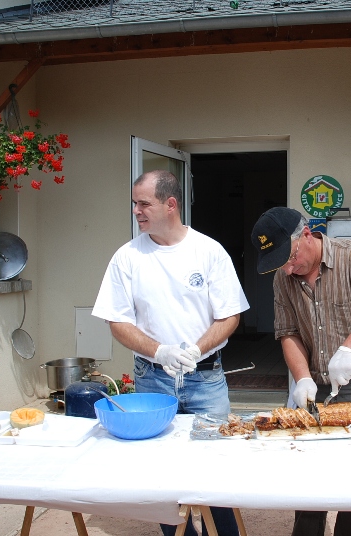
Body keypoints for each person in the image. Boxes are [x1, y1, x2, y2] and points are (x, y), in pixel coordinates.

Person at [92, 170, 249, 536]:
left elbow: (230, 316)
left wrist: (196, 348)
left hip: (205, 378)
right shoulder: (127, 257)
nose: (136, 211)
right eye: (135, 203)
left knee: (214, 470)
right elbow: (117, 321)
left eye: (144, 203)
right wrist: (159, 351)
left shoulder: (208, 251)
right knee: (161, 473)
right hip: (153, 380)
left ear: (171, 204)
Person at [250, 207, 351, 536]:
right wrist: (302, 377)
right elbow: (288, 332)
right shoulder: (283, 277)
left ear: (306, 235)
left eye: (290, 258)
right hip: (315, 386)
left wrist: (350, 349)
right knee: (308, 473)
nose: (287, 269)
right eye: (279, 264)